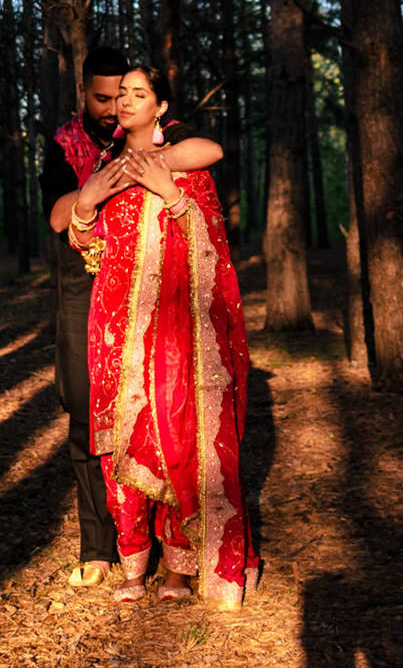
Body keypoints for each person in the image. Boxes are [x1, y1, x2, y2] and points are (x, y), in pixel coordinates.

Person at [67, 66, 258, 609]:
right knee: (120, 444)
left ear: (160, 108)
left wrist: (167, 190)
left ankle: (176, 571)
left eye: (139, 93)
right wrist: (85, 204)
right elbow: (90, 249)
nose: (125, 100)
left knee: (173, 432)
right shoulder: (105, 169)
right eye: (120, 93)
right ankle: (132, 568)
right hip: (112, 329)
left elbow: (209, 240)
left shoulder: (184, 165)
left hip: (173, 331)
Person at [42, 47, 221, 589]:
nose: (114, 104)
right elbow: (59, 217)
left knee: (163, 415)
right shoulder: (68, 144)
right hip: (86, 288)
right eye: (105, 96)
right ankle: (101, 548)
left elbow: (207, 151)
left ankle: (170, 551)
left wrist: (149, 164)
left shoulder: (164, 133)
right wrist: (95, 190)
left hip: (152, 290)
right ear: (85, 95)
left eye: (125, 94)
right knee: (87, 410)